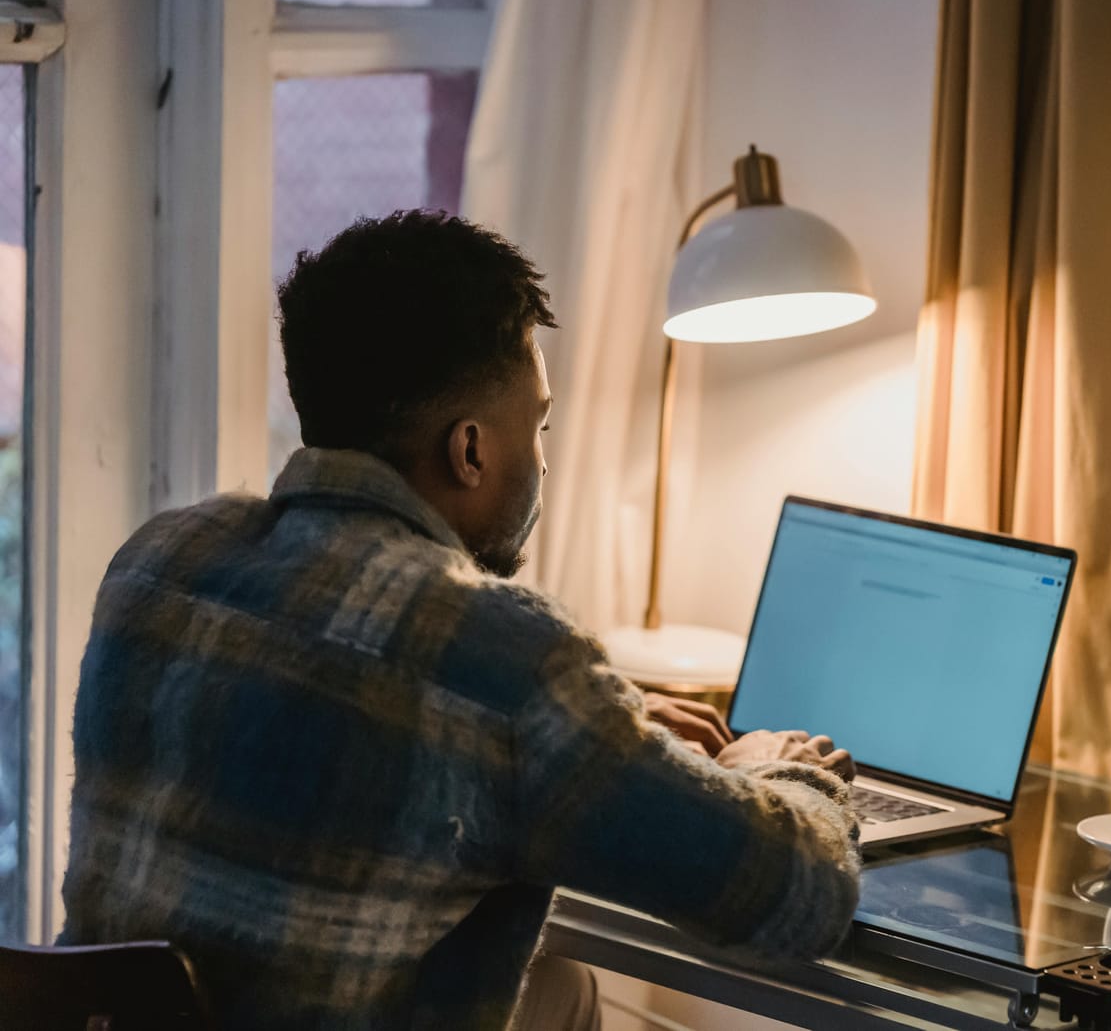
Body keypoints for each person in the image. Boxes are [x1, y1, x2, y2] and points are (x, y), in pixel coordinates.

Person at [59, 210, 861, 1030]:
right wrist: (775, 767)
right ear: (469, 450)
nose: (545, 457)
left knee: (562, 988)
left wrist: (600, 733)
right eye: (539, 424)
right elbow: (800, 899)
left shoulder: (162, 558)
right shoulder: (504, 666)